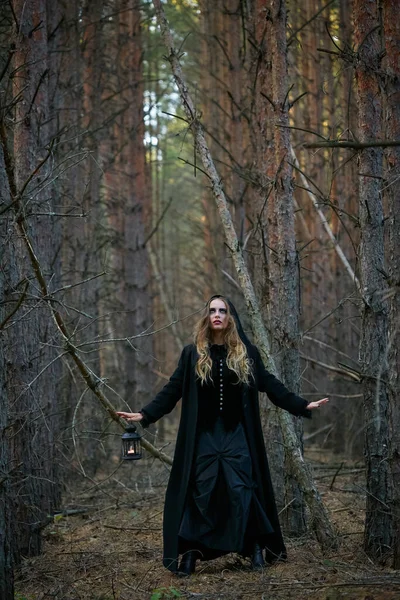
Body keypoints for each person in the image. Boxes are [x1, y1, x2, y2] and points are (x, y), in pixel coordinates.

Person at [117, 295, 328, 577]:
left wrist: (302, 405)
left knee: (241, 489)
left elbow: (269, 384)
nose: (217, 315)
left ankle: (254, 548)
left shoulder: (246, 353)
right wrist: (144, 414)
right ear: (207, 317)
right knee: (202, 491)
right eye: (213, 310)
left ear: (230, 317)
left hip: (236, 435)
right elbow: (173, 390)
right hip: (203, 437)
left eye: (223, 311)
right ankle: (191, 554)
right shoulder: (192, 353)